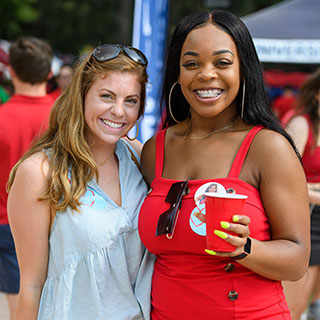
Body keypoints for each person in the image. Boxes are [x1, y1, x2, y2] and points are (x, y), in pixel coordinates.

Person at [138, 10, 310, 320]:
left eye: (222, 63)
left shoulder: (268, 147)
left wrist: (245, 248)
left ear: (244, 69)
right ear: (177, 73)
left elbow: (297, 260)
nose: (206, 74)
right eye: (191, 64)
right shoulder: (155, 150)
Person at [7, 44, 154, 319]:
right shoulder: (40, 172)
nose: (119, 111)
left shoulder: (137, 156)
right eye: (107, 96)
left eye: (131, 100)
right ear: (82, 95)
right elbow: (30, 286)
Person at [0, 36, 54, 320]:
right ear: (49, 73)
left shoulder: (2, 117)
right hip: (58, 221)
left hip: (7, 223)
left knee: (19, 305)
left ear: (12, 72)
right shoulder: (64, 119)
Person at [282, 68, 320, 320]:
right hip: (306, 214)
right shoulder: (301, 123)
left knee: (316, 295)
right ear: (316, 94)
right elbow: (283, 178)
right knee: (297, 296)